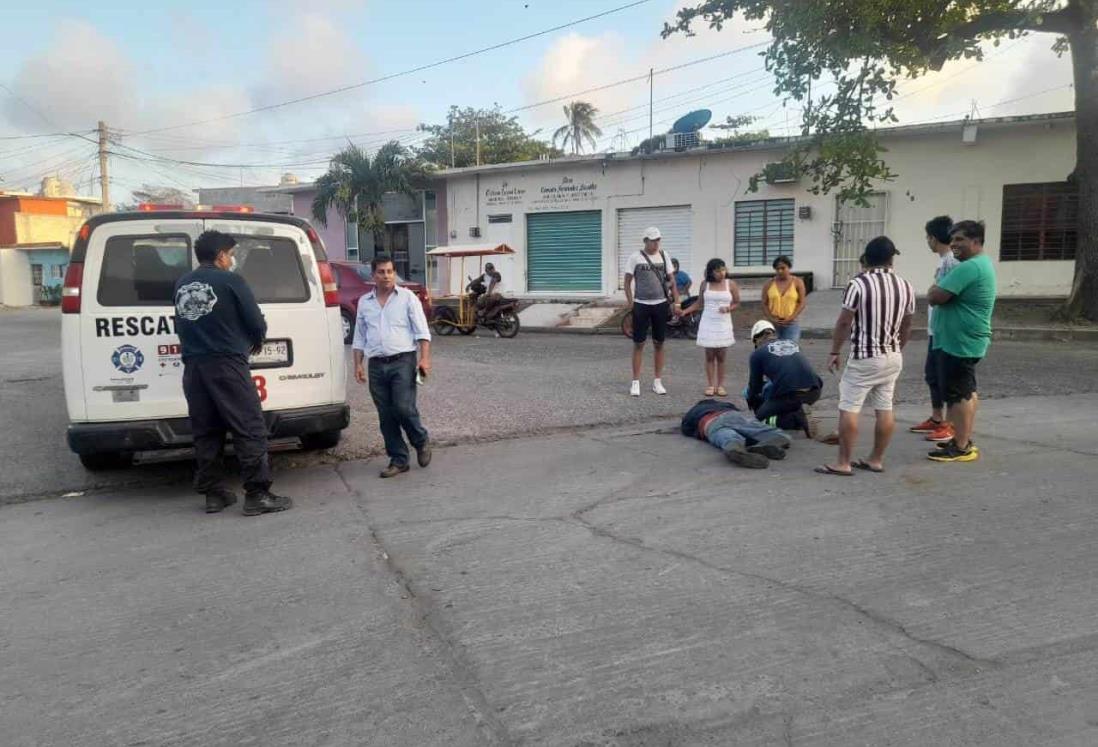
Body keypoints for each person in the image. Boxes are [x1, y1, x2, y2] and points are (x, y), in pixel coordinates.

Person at [174, 230, 292, 516]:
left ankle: (214, 494)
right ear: (221, 256)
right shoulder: (231, 280)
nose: (233, 259)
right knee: (249, 426)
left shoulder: (182, 283)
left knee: (206, 429)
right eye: (231, 254)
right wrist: (256, 339)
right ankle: (257, 493)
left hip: (194, 368)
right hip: (227, 364)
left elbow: (180, 325)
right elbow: (255, 321)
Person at [817, 236, 915, 476]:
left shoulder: (858, 284)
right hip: (892, 356)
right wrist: (896, 348)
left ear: (866, 258)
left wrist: (834, 351)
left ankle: (843, 462)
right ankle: (876, 459)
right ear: (892, 258)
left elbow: (844, 322)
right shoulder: (906, 286)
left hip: (864, 357)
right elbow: (907, 325)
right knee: (885, 408)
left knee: (849, 408)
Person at [352, 254, 434, 478]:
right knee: (386, 415)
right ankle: (398, 459)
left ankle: (420, 440)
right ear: (373, 275)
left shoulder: (407, 298)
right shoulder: (364, 303)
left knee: (403, 407)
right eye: (381, 272)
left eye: (390, 271)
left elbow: (422, 332)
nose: (386, 276)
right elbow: (359, 337)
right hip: (376, 365)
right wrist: (358, 364)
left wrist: (424, 359)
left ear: (394, 273)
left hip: (403, 361)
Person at [926, 220, 997, 463]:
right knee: (966, 391)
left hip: (960, 342)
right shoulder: (976, 265)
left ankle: (961, 446)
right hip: (963, 340)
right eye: (952, 239)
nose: (954, 244)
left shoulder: (969, 268)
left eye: (960, 239)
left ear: (976, 241)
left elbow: (936, 296)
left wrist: (935, 288)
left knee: (959, 394)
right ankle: (962, 438)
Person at [910, 215, 960, 443]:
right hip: (935, 329)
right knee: (932, 376)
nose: (927, 242)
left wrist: (933, 292)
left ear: (933, 237)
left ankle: (950, 424)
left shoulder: (951, 262)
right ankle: (937, 417)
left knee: (946, 378)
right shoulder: (943, 261)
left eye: (927, 237)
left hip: (945, 331)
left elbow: (940, 295)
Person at [624, 226, 681, 396]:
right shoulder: (635, 257)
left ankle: (657, 381)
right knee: (639, 343)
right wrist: (630, 302)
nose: (655, 243)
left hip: (660, 304)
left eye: (658, 240)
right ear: (645, 241)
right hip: (641, 304)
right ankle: (635, 382)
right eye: (652, 240)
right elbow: (627, 282)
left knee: (659, 343)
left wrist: (677, 302)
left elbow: (672, 280)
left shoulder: (664, 256)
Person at [745, 320, 823, 437]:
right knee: (780, 397)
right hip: (814, 391)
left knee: (760, 420)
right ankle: (800, 410)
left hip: (790, 394)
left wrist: (752, 401)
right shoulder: (791, 344)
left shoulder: (757, 354)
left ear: (756, 339)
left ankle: (797, 417)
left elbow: (755, 387)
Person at [681, 258, 739, 396]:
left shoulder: (730, 284)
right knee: (709, 355)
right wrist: (684, 311)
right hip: (708, 321)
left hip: (723, 323)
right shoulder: (704, 284)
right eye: (718, 271)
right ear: (710, 272)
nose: (721, 273)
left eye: (723, 269)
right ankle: (710, 385)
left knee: (721, 356)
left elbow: (737, 302)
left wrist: (729, 308)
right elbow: (699, 303)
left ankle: (721, 385)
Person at [681, 399, 792, 469]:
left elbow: (686, 429)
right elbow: (735, 409)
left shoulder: (692, 413)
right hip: (732, 415)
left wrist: (701, 434)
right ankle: (772, 440)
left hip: (709, 423)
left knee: (728, 437)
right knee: (767, 431)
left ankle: (735, 448)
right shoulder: (723, 404)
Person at [761, 255, 807, 341]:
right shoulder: (769, 284)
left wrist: (791, 317)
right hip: (773, 323)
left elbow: (802, 302)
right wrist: (771, 318)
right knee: (774, 350)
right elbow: (764, 303)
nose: (780, 271)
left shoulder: (797, 282)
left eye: (783, 268)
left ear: (789, 267)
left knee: (789, 349)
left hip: (791, 323)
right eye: (777, 269)